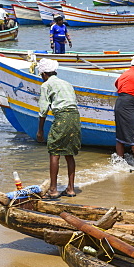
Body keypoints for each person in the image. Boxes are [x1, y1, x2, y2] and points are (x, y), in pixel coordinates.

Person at [35, 59, 80, 198]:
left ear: (43, 74)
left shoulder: (46, 85)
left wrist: (40, 130)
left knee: (54, 151)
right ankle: (71, 189)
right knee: (69, 152)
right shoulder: (67, 84)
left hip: (62, 117)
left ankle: (53, 190)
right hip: (75, 117)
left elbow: (43, 110)